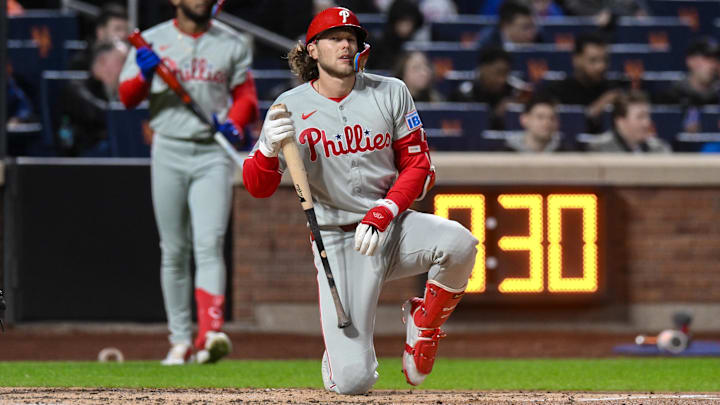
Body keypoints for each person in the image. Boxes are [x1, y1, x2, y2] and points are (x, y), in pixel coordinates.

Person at [242, 7, 478, 394]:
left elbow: (419, 166)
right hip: (338, 240)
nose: (346, 45)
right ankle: (343, 359)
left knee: (459, 242)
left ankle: (424, 323)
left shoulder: (391, 91)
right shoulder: (289, 106)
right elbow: (257, 187)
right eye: (335, 38)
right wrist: (267, 148)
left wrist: (386, 210)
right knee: (354, 382)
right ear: (313, 50)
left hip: (393, 224)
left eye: (351, 38)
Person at [118, 0, 259, 365]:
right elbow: (127, 97)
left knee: (209, 242)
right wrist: (143, 76)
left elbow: (246, 97)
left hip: (212, 152)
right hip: (168, 147)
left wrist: (236, 122)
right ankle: (179, 340)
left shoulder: (232, 43)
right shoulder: (150, 41)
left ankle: (209, 333)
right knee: (175, 248)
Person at [541, 32, 623, 134]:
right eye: (593, 60)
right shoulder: (556, 91)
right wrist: (596, 109)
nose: (601, 66)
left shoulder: (613, 90)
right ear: (576, 60)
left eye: (605, 60)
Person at [60, 41, 128, 156]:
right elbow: (103, 115)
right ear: (102, 62)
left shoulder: (114, 93)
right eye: (121, 62)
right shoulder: (76, 89)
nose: (126, 68)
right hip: (84, 159)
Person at [451, 47, 519, 129]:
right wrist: (496, 115)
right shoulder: (464, 94)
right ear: (483, 68)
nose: (502, 80)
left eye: (506, 74)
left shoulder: (513, 92)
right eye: (498, 72)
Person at [586, 90, 671, 153]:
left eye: (647, 116)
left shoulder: (659, 149)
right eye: (640, 117)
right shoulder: (599, 149)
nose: (647, 122)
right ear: (620, 121)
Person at [657, 38, 720, 107]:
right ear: (690, 61)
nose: (713, 65)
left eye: (716, 59)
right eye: (707, 58)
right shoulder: (672, 96)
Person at [368, 0, 425, 70]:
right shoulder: (377, 42)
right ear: (394, 21)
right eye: (403, 21)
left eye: (411, 22)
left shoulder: (412, 45)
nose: (407, 26)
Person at [70, 3, 129, 70]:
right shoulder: (82, 62)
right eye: (117, 29)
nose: (124, 34)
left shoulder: (131, 60)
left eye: (126, 29)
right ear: (101, 32)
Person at [504, 94, 572, 152]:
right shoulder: (506, 152)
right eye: (540, 117)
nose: (547, 123)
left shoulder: (567, 153)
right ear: (524, 119)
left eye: (552, 118)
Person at [476, 1, 542, 49]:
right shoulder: (487, 43)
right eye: (526, 27)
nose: (531, 33)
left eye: (533, 27)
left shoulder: (540, 39)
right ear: (506, 26)